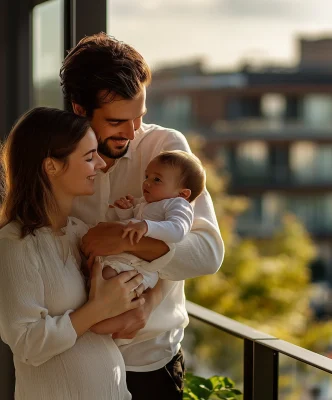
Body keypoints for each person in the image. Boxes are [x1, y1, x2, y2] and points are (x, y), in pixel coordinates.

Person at [60, 32, 224, 399]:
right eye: (118, 121)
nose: (132, 133)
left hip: (151, 365)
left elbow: (207, 252)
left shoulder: (166, 149)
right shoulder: (54, 160)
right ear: (79, 109)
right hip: (73, 363)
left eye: (139, 118)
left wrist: (122, 239)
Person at [0, 107, 147, 399]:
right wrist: (98, 309)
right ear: (52, 166)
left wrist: (137, 301)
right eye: (89, 157)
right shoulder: (13, 244)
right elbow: (27, 343)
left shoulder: (81, 234)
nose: (102, 165)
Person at [95, 150, 206, 341]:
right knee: (100, 279)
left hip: (141, 268)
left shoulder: (178, 205)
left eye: (157, 180)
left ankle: (101, 324)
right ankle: (103, 320)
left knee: (108, 281)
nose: (147, 182)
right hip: (127, 260)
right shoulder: (146, 203)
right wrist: (126, 211)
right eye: (147, 176)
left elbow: (177, 230)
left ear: (183, 193)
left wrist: (147, 226)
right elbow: (132, 226)